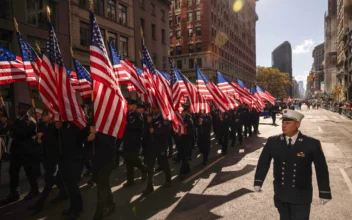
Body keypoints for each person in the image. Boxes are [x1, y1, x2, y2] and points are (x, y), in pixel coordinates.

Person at [253, 109, 332, 220]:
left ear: (297, 125)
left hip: (301, 195)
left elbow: (321, 169)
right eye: (283, 123)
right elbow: (263, 162)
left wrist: (324, 192)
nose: (283, 126)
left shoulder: (311, 143)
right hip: (281, 194)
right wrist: (258, 181)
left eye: (288, 123)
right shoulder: (273, 141)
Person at [28, 109, 68, 213]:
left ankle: (39, 204)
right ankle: (64, 193)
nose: (43, 117)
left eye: (45, 115)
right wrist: (38, 139)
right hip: (45, 157)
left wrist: (42, 137)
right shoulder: (41, 124)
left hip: (54, 157)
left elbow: (54, 140)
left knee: (49, 180)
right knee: (56, 178)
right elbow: (37, 138)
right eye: (43, 115)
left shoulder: (55, 126)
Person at [2, 102, 40, 205]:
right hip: (16, 151)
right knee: (13, 171)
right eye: (19, 108)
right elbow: (12, 133)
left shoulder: (30, 121)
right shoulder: (18, 120)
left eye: (22, 108)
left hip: (26, 151)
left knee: (29, 171)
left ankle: (34, 190)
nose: (20, 109)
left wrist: (12, 126)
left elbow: (23, 133)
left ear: (27, 109)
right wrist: (7, 126)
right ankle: (14, 192)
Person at [142, 106, 172, 194]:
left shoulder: (164, 118)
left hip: (160, 146)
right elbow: (145, 131)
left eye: (155, 108)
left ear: (159, 109)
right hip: (150, 146)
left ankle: (168, 179)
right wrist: (148, 123)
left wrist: (154, 131)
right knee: (150, 166)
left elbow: (166, 130)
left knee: (164, 163)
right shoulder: (149, 118)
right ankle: (149, 185)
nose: (154, 110)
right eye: (152, 108)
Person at [58, 121, 84, 219]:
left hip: (74, 160)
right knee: (69, 185)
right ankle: (73, 206)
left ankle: (77, 208)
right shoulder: (63, 125)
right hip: (64, 159)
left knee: (73, 185)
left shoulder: (76, 126)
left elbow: (77, 140)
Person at [122, 99, 147, 188]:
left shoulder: (138, 116)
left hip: (135, 141)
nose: (128, 106)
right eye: (128, 105)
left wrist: (126, 124)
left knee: (133, 158)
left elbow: (137, 127)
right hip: (127, 140)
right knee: (129, 161)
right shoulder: (125, 115)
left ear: (135, 106)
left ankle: (144, 170)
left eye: (130, 105)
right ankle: (130, 180)